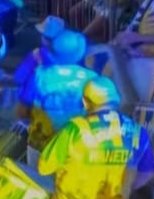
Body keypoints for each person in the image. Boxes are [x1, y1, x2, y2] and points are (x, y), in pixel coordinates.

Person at [16, 29, 96, 167]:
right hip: (75, 145)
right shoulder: (92, 78)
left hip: (41, 143)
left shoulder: (40, 75)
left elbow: (22, 111)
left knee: (37, 181)